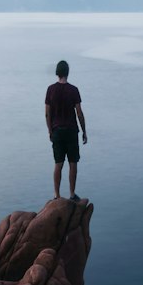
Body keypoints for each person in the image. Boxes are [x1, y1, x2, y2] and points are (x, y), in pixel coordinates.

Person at [44, 60, 87, 201]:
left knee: (58, 163)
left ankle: (56, 195)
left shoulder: (50, 89)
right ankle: (72, 194)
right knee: (73, 163)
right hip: (71, 131)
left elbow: (47, 113)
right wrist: (84, 131)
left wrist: (50, 130)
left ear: (57, 72)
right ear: (67, 72)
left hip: (57, 131)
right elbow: (79, 113)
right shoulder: (73, 90)